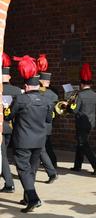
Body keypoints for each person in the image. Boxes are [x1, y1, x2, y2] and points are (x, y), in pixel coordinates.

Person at [4, 55, 52, 213]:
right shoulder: (46, 100)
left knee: (23, 169)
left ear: (26, 85)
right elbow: (47, 119)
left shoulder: (21, 99)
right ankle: (27, 197)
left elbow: (8, 116)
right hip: (39, 140)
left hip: (23, 140)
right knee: (31, 170)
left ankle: (33, 199)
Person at [68, 63, 96, 175]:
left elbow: (75, 110)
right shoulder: (95, 95)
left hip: (81, 123)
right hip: (91, 122)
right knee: (80, 143)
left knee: (83, 144)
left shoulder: (80, 95)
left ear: (81, 84)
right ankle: (77, 165)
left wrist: (69, 106)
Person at [1, 52, 22, 193]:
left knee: (2, 155)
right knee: (3, 153)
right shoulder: (16, 90)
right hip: (10, 126)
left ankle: (9, 183)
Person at [37, 54, 58, 183]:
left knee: (41, 149)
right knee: (43, 148)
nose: (49, 83)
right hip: (46, 126)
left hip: (41, 125)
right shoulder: (53, 94)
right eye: (47, 81)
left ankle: (52, 172)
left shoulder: (45, 94)